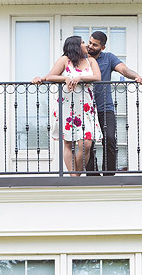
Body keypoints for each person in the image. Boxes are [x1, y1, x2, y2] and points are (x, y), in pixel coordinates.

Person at [32, 36, 103, 176]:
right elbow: (51, 76)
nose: (86, 46)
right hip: (67, 106)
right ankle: (74, 178)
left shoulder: (91, 61)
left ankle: (75, 175)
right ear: (76, 46)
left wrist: (80, 78)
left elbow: (97, 77)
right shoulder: (65, 60)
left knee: (86, 144)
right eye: (83, 43)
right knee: (69, 144)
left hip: (86, 107)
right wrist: (65, 78)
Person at [83, 30, 142, 175]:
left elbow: (124, 70)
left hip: (105, 107)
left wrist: (137, 77)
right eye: (89, 43)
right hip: (85, 108)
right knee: (87, 143)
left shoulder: (108, 58)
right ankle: (92, 176)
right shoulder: (82, 58)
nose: (90, 46)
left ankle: (109, 175)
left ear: (103, 47)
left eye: (95, 45)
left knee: (110, 139)